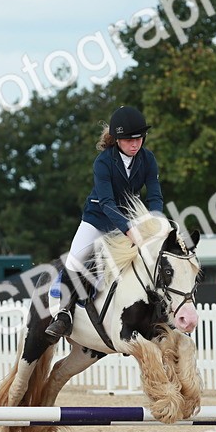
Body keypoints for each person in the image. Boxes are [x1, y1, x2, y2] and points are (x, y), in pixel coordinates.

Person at [45, 106, 165, 339]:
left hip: (131, 221)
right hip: (97, 219)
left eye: (139, 138)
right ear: (117, 139)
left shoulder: (148, 159)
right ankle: (63, 315)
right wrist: (129, 230)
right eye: (129, 139)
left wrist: (156, 223)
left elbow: (154, 196)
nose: (135, 144)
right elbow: (107, 203)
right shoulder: (103, 162)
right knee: (75, 259)